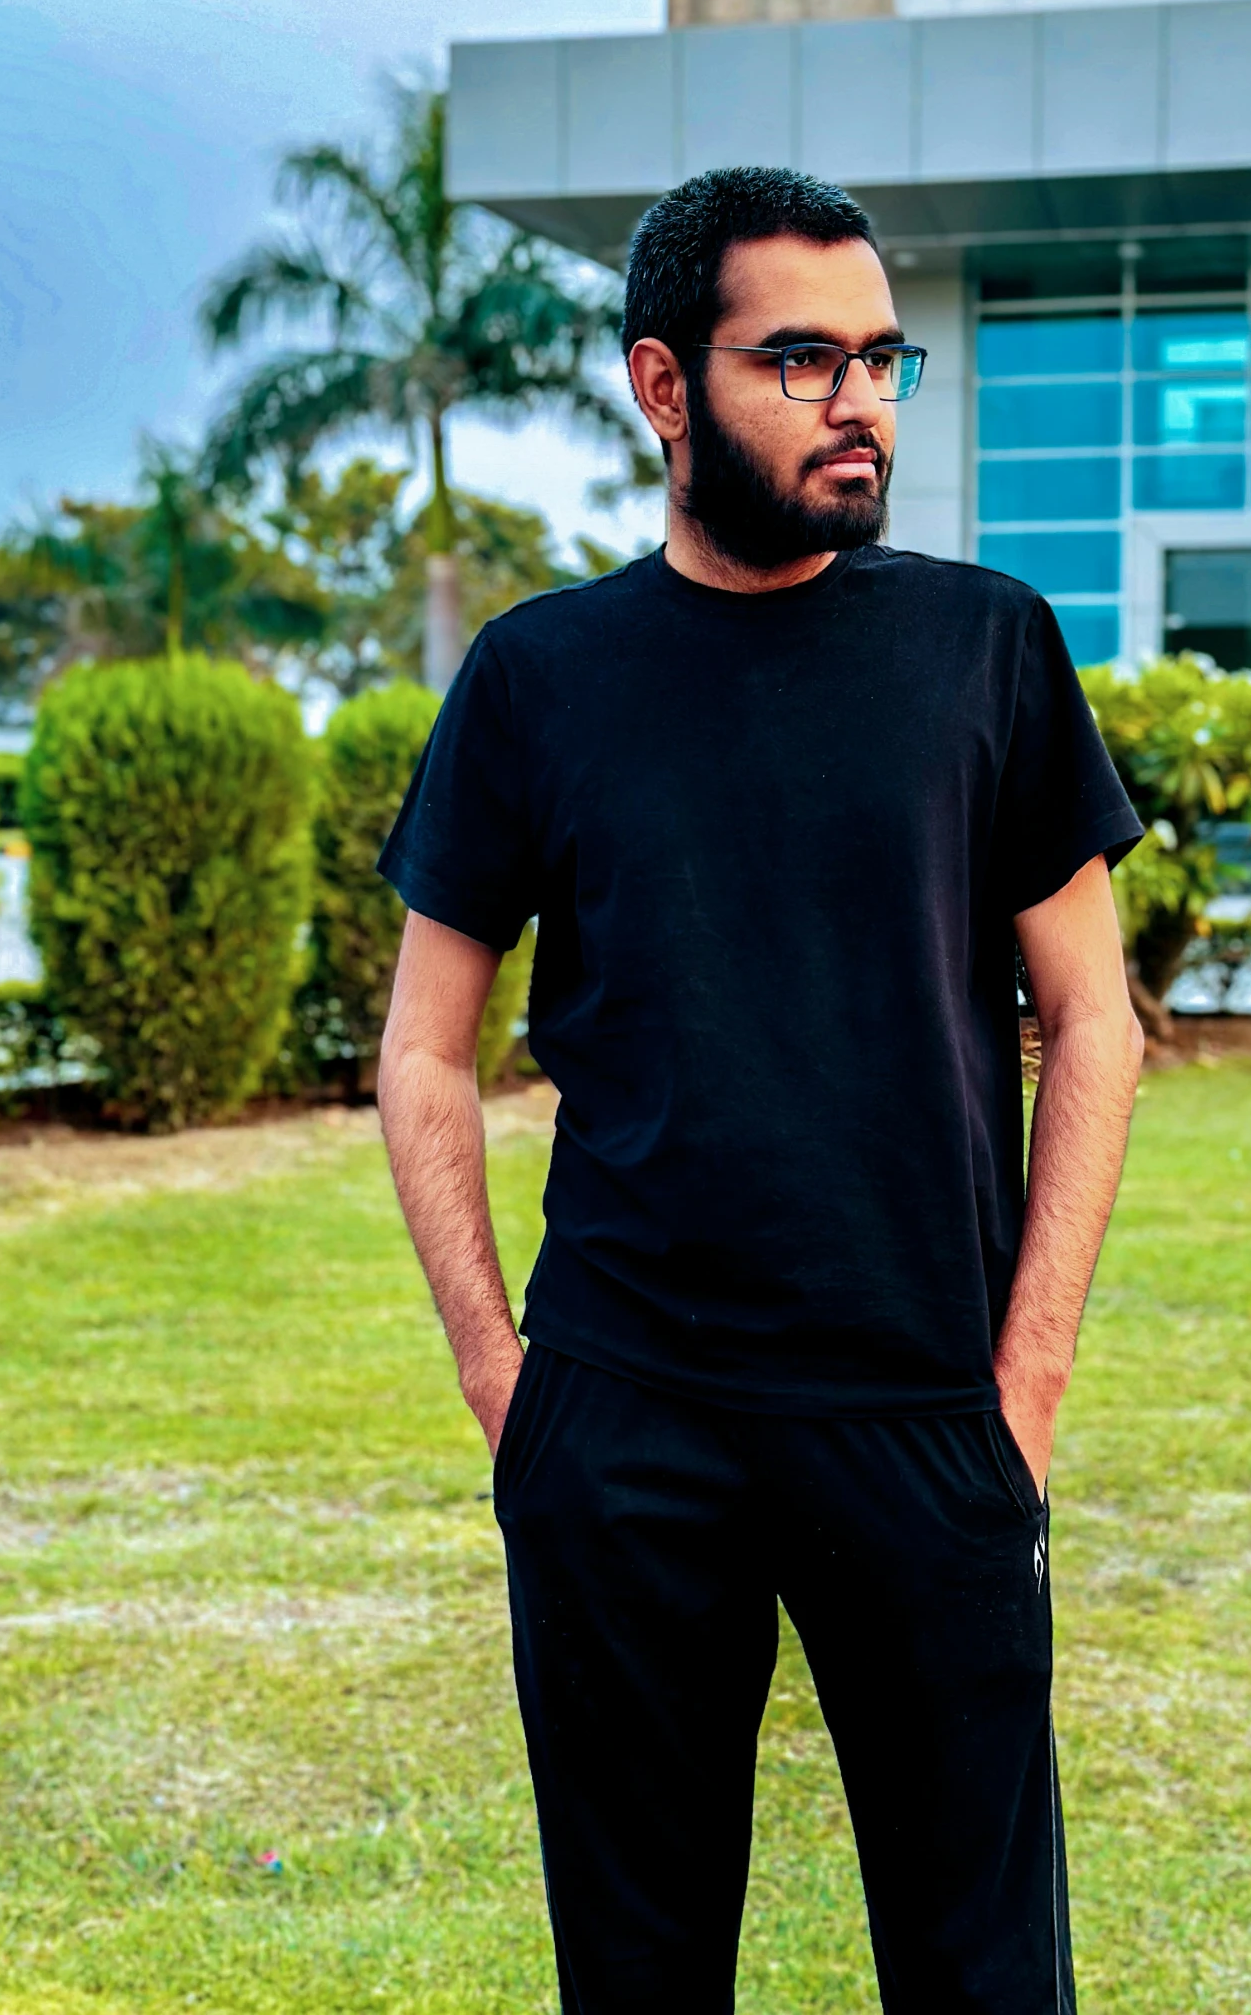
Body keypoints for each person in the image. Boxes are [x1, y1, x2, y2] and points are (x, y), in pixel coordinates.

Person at [375, 165, 1144, 2014]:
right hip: (625, 1418)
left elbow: (1094, 1022)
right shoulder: (539, 678)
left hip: (922, 1409)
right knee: (638, 1979)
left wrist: (1023, 1381)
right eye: (798, 360)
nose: (857, 400)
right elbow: (423, 1044)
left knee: (985, 1980)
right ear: (662, 385)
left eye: (883, 357)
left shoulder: (986, 645)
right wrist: (505, 1375)